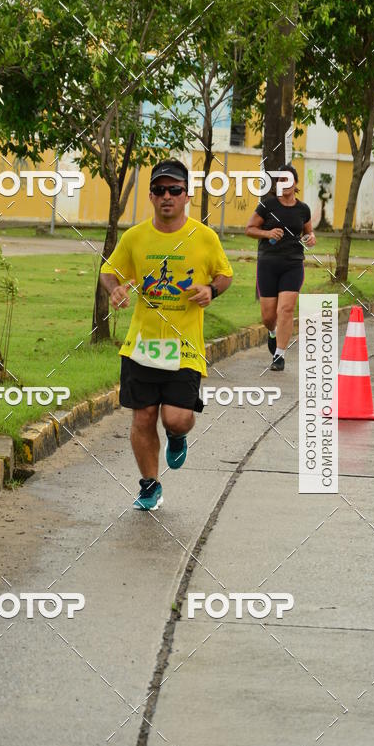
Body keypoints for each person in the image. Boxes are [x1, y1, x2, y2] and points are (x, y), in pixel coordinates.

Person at [100, 158, 233, 511]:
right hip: (142, 344)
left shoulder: (204, 238)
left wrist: (211, 290)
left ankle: (177, 436)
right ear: (151, 196)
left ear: (187, 195)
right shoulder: (135, 237)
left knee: (175, 417)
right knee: (143, 416)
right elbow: (109, 271)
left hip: (184, 347)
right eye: (160, 190)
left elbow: (225, 274)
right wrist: (114, 289)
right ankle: (149, 485)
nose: (167, 196)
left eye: (174, 190)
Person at [245, 164, 316, 371]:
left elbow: (308, 233)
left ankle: (279, 355)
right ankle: (272, 332)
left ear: (296, 183)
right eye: (280, 180)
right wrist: (267, 234)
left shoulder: (303, 209)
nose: (283, 184)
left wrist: (310, 239)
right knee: (268, 316)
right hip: (268, 264)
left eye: (287, 180)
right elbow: (249, 229)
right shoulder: (267, 206)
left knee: (286, 309)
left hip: (293, 264)